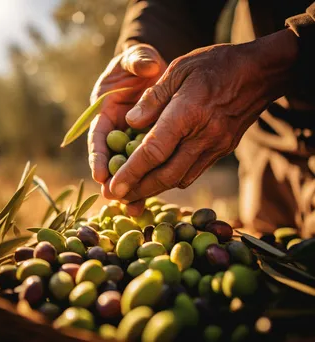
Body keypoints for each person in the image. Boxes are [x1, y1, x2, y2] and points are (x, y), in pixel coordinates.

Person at [88, 0, 315, 237]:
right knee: (267, 258)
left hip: (270, 109)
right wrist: (147, 47)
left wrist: (286, 55)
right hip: (267, 151)